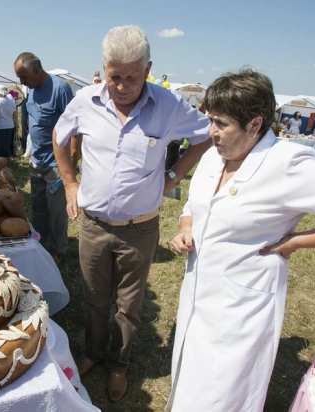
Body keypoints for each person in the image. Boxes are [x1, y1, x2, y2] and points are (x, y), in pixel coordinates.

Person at [166, 68, 315, 412]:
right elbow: (195, 203)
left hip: (241, 304)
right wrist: (185, 227)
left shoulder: (288, 166)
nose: (211, 132)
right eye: (210, 120)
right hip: (197, 294)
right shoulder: (214, 156)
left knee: (221, 393)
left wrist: (296, 242)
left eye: (221, 124)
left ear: (255, 124)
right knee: (190, 379)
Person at [52, 25, 212, 402]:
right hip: (92, 225)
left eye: (132, 78)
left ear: (148, 68)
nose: (122, 86)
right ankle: (92, 353)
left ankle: (119, 363)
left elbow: (203, 137)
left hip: (140, 230)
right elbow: (60, 138)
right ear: (104, 69)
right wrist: (70, 182)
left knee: (129, 303)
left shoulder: (169, 105)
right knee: (93, 295)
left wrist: (174, 176)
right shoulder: (85, 101)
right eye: (114, 77)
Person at [14, 52, 75, 263]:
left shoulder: (60, 89)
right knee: (38, 206)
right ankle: (39, 243)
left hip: (57, 165)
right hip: (37, 162)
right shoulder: (30, 90)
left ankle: (59, 249)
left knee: (57, 210)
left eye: (23, 77)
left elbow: (75, 127)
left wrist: (72, 162)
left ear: (37, 71)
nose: (21, 82)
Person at [0, 84, 18, 159]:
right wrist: (16, 125)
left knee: (0, 145)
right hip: (10, 124)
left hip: (0, 126)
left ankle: (2, 159)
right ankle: (9, 158)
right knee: (8, 144)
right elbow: (15, 115)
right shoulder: (11, 101)